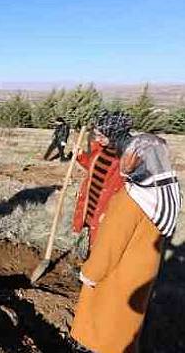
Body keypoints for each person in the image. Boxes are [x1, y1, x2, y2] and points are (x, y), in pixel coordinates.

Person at [70, 114, 181, 353]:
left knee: (105, 327)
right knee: (125, 329)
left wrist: (89, 273)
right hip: (140, 273)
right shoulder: (161, 192)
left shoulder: (131, 199)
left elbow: (110, 246)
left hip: (119, 274)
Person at [72, 110, 127, 259]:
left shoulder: (126, 158)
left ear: (114, 134)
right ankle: (88, 264)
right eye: (96, 134)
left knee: (103, 243)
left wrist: (112, 212)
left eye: (102, 135)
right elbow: (93, 166)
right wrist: (80, 156)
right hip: (92, 203)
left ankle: (95, 273)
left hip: (106, 210)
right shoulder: (101, 149)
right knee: (91, 236)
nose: (98, 138)